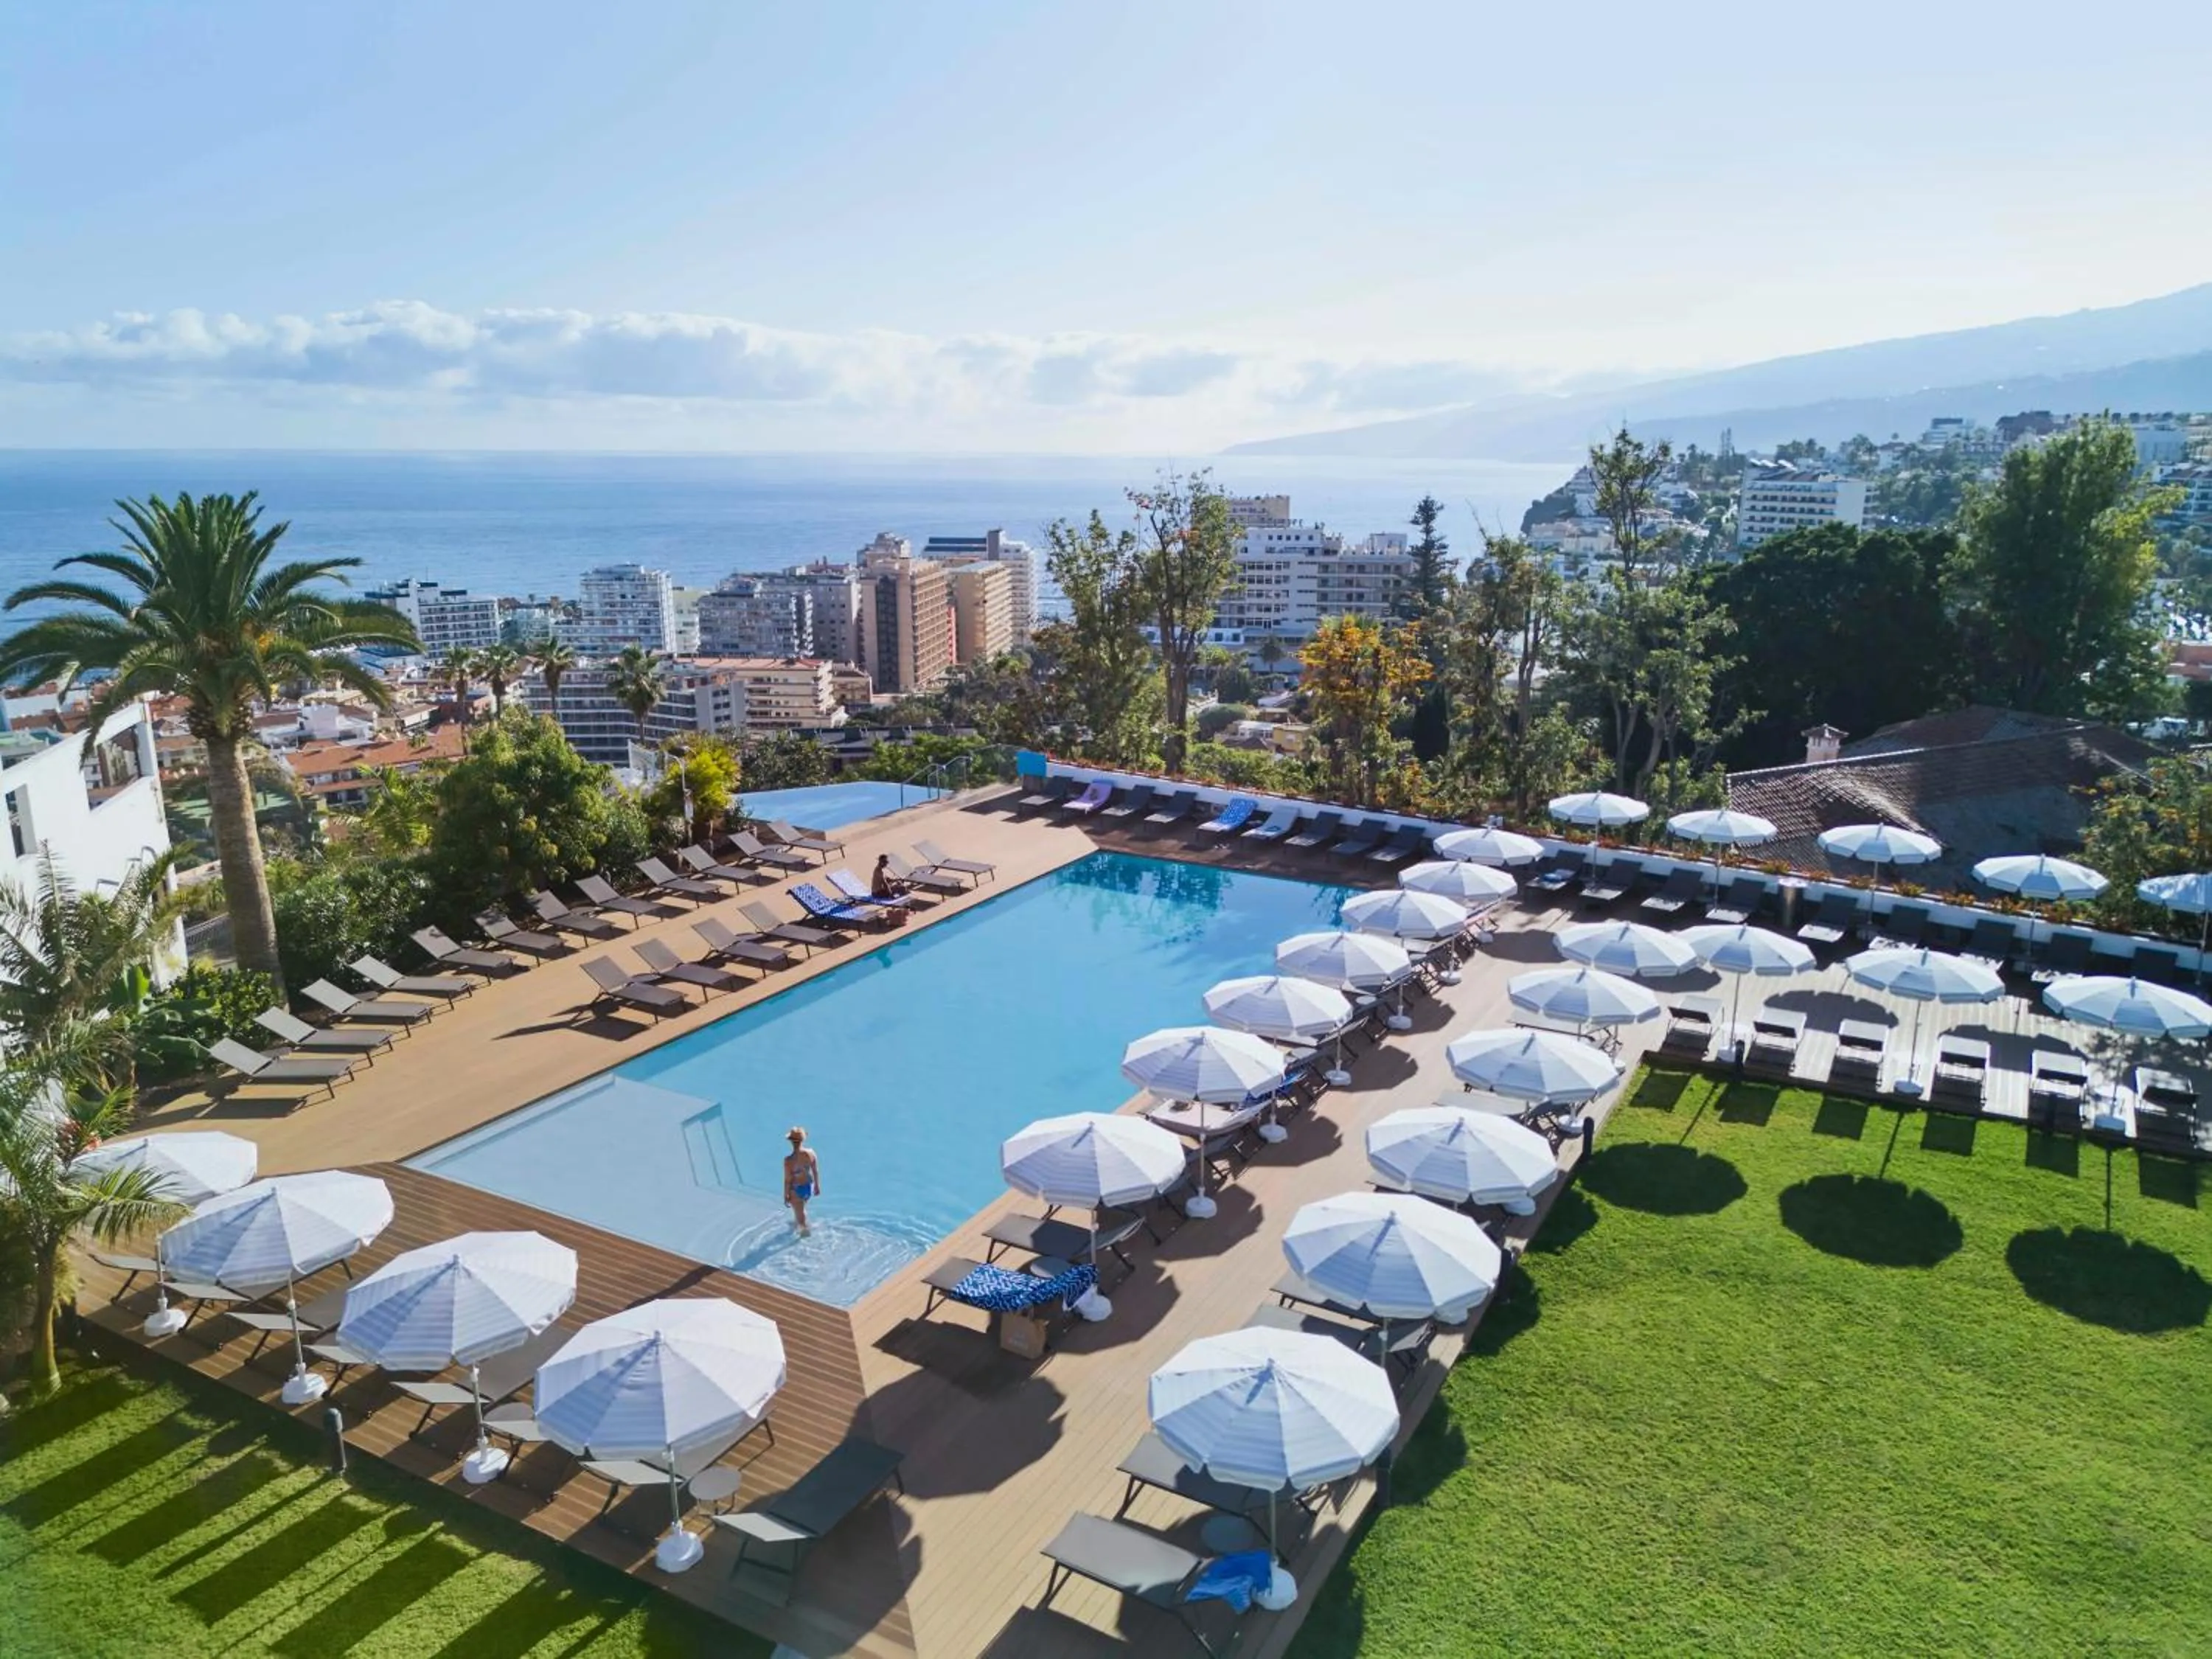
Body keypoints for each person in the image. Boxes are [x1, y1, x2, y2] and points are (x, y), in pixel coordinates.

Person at [782, 1127, 821, 1234]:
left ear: (791, 1142)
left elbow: (788, 1180)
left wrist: (786, 1195)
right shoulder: (811, 1153)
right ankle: (797, 1224)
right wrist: (817, 1186)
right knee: (800, 1209)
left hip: (796, 1189)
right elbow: (815, 1170)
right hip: (808, 1186)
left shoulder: (789, 1160)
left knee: (801, 1215)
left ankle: (805, 1234)